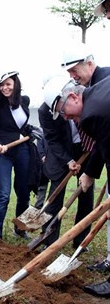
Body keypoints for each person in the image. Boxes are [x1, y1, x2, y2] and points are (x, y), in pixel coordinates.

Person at [45, 76, 110, 298]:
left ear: (73, 96)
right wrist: (90, 173)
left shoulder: (92, 115)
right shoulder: (100, 89)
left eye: (63, 110)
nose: (65, 117)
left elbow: (107, 147)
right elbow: (104, 142)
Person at [61, 42, 110, 272]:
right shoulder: (94, 90)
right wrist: (90, 172)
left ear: (90, 63)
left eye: (74, 71)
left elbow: (105, 141)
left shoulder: (97, 98)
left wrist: (90, 171)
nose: (73, 77)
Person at [38, 76, 94, 249]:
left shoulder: (84, 98)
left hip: (85, 147)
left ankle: (80, 241)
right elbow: (52, 139)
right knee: (55, 197)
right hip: (60, 153)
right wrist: (68, 160)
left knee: (85, 194)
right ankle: (49, 241)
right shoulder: (43, 111)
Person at [0, 71, 33, 240]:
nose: (5, 88)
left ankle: (20, 229)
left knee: (24, 193)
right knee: (4, 194)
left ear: (15, 84)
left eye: (8, 84)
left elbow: (22, 126)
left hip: (23, 150)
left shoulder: (25, 101)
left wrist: (29, 132)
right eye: (2, 85)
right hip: (3, 152)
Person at [33, 135, 49, 210]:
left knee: (56, 187)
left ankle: (49, 208)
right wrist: (42, 156)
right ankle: (38, 206)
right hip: (44, 163)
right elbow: (39, 145)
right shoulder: (42, 131)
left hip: (57, 162)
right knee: (42, 186)